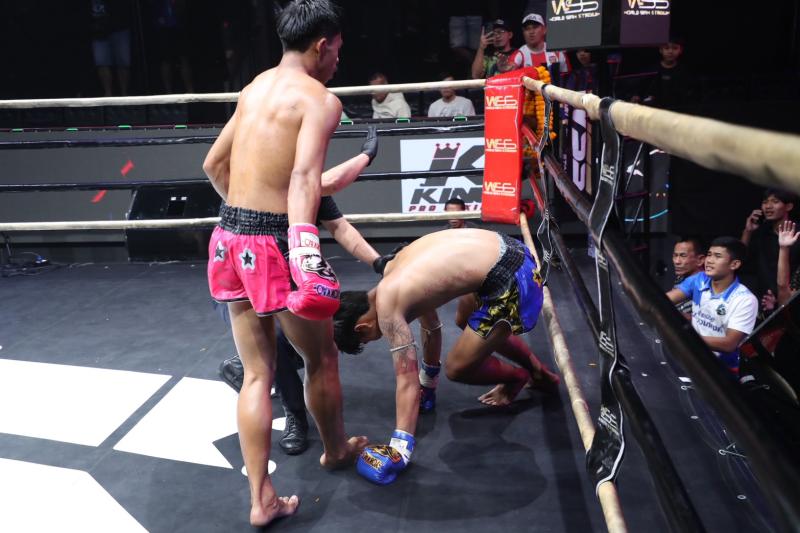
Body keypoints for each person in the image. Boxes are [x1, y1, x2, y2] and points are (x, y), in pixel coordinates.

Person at [202, 0, 367, 525]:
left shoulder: (254, 87)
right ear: (321, 45)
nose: (338, 60)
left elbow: (213, 164)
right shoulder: (321, 100)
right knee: (322, 358)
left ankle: (262, 500)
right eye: (337, 50)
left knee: (257, 374)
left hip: (229, 237)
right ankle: (335, 450)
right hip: (277, 243)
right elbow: (302, 180)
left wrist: (246, 218)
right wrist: (304, 249)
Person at [333, 229, 559, 485]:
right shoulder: (392, 274)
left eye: (366, 340)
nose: (374, 340)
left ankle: (518, 377)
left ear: (361, 328)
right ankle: (539, 372)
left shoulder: (387, 310)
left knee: (457, 368)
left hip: (514, 279)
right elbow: (431, 326)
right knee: (465, 320)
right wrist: (428, 384)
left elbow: (406, 381)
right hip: (510, 250)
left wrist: (400, 447)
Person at [218, 190, 384, 456]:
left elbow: (339, 226)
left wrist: (378, 262)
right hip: (246, 278)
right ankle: (294, 415)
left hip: (291, 277)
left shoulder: (311, 186)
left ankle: (242, 366)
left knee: (317, 346)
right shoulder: (248, 187)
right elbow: (213, 171)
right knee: (275, 346)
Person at [667, 237, 758, 378]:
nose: (709, 260)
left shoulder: (745, 300)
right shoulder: (699, 279)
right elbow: (664, 300)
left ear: (734, 264)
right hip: (690, 358)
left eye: (717, 256)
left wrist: (685, 338)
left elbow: (729, 344)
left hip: (719, 372)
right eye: (709, 255)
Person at [741, 189, 800, 309]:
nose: (768, 206)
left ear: (788, 206)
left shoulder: (797, 233)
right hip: (762, 298)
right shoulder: (761, 232)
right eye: (765, 202)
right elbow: (738, 260)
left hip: (791, 299)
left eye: (775, 201)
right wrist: (748, 231)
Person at [90, 0, 134, 96]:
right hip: (98, 28)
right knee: (102, 62)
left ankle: (124, 94)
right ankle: (108, 94)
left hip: (120, 25)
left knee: (123, 62)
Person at [509, 13, 570, 81]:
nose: (531, 32)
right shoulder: (519, 54)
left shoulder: (557, 52)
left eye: (535, 27)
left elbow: (568, 79)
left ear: (544, 29)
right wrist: (505, 69)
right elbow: (509, 71)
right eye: (527, 29)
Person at [670, 237, 705, 318]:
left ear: (700, 260)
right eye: (675, 255)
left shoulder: (704, 284)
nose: (677, 261)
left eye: (683, 256)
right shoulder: (680, 277)